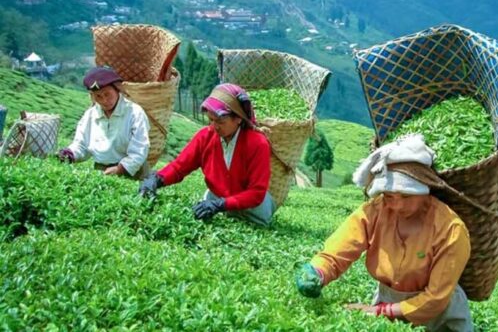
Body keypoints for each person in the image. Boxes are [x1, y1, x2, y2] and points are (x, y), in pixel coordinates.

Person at [295, 134, 473, 331]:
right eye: (389, 196)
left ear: (425, 190)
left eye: (406, 196)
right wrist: (318, 271)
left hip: (440, 317)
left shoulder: (450, 229)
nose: (397, 205)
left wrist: (381, 311)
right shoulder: (376, 211)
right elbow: (341, 248)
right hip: (387, 303)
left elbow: (436, 298)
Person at [138, 83, 275, 226]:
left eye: (220, 121)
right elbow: (179, 167)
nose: (214, 126)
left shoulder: (257, 143)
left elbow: (256, 193)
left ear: (238, 118)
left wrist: (220, 205)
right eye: (211, 120)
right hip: (216, 198)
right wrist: (157, 179)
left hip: (252, 210)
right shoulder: (205, 136)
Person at [57, 66, 150, 179]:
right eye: (98, 96)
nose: (104, 100)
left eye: (107, 94)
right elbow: (81, 145)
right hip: (102, 171)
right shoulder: (90, 115)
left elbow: (140, 149)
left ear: (117, 89)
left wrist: (120, 169)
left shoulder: (135, 113)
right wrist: (69, 154)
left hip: (134, 172)